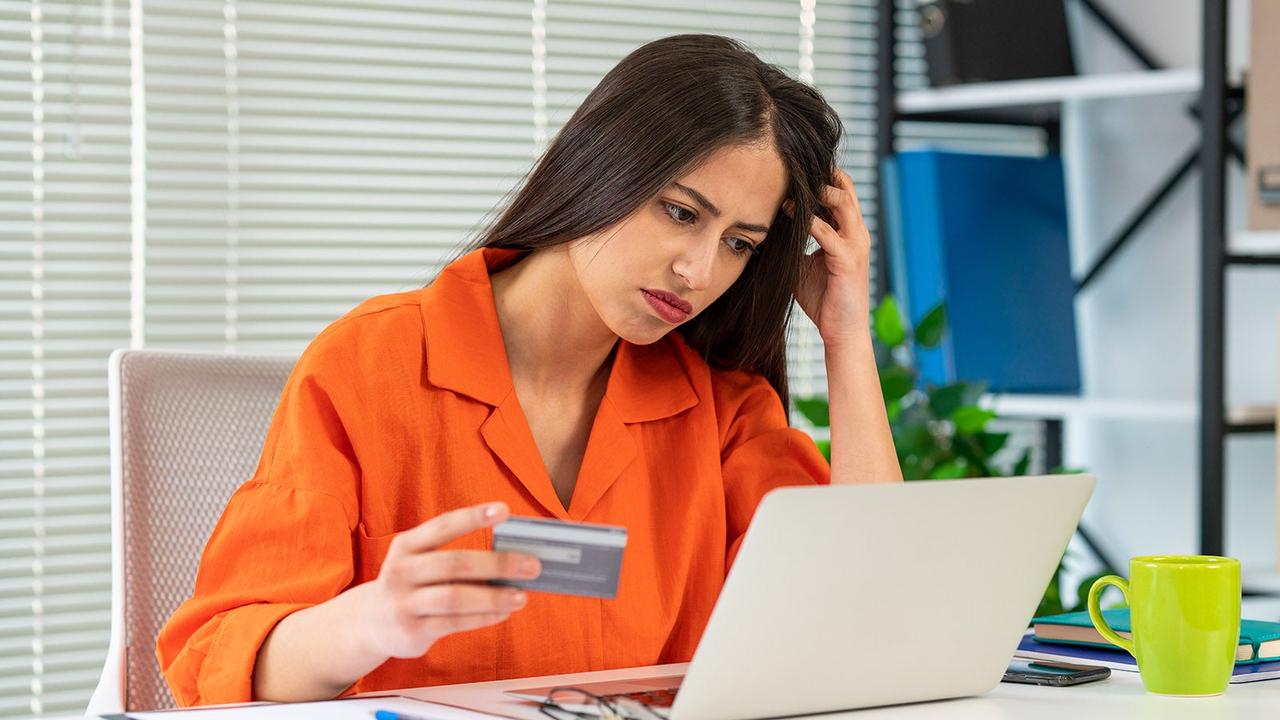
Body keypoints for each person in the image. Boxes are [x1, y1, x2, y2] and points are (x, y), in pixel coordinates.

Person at [157, 33, 902, 707]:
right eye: (681, 213)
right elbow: (214, 665)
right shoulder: (369, 364)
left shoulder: (720, 410)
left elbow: (863, 609)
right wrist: (371, 620)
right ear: (602, 168)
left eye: (740, 243)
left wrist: (845, 335)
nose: (698, 269)